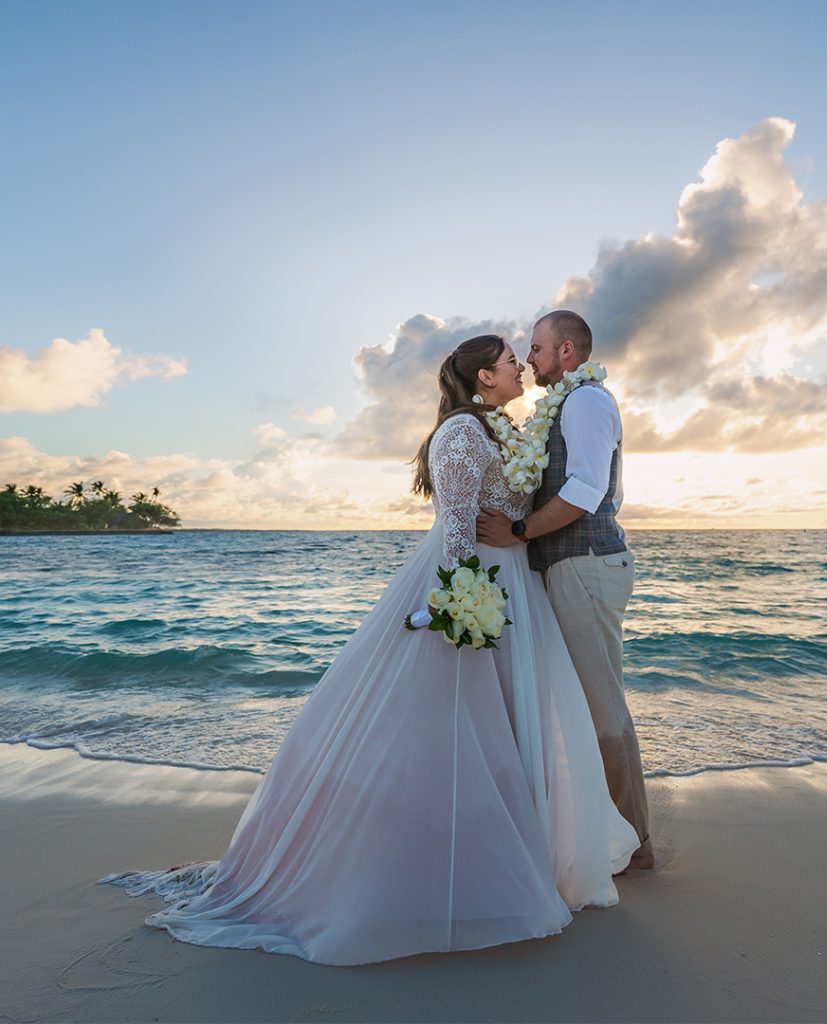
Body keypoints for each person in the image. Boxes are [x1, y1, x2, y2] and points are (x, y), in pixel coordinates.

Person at [100, 334, 639, 967]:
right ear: (483, 377)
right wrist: (464, 603)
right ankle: (440, 873)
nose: (521, 364)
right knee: (456, 734)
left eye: (526, 355)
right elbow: (457, 525)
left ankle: (522, 854)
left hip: (514, 587)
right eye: (509, 359)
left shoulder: (500, 429)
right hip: (475, 589)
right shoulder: (461, 435)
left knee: (513, 727)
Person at [477, 311, 653, 871]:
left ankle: (636, 847)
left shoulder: (587, 402)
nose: (530, 359)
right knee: (575, 708)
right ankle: (592, 833)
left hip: (586, 566)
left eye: (537, 348)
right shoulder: (562, 405)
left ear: (568, 352)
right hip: (564, 568)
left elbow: (584, 489)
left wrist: (519, 531)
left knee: (602, 711)